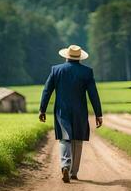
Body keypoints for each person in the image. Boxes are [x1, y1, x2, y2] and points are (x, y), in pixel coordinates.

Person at [39, 44, 102, 183]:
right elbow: (93, 95)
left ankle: (65, 165)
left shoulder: (56, 70)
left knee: (65, 138)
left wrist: (42, 109)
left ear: (66, 56)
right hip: (80, 111)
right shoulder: (87, 72)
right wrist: (98, 114)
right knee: (77, 140)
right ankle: (74, 172)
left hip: (62, 111)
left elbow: (47, 91)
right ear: (80, 57)